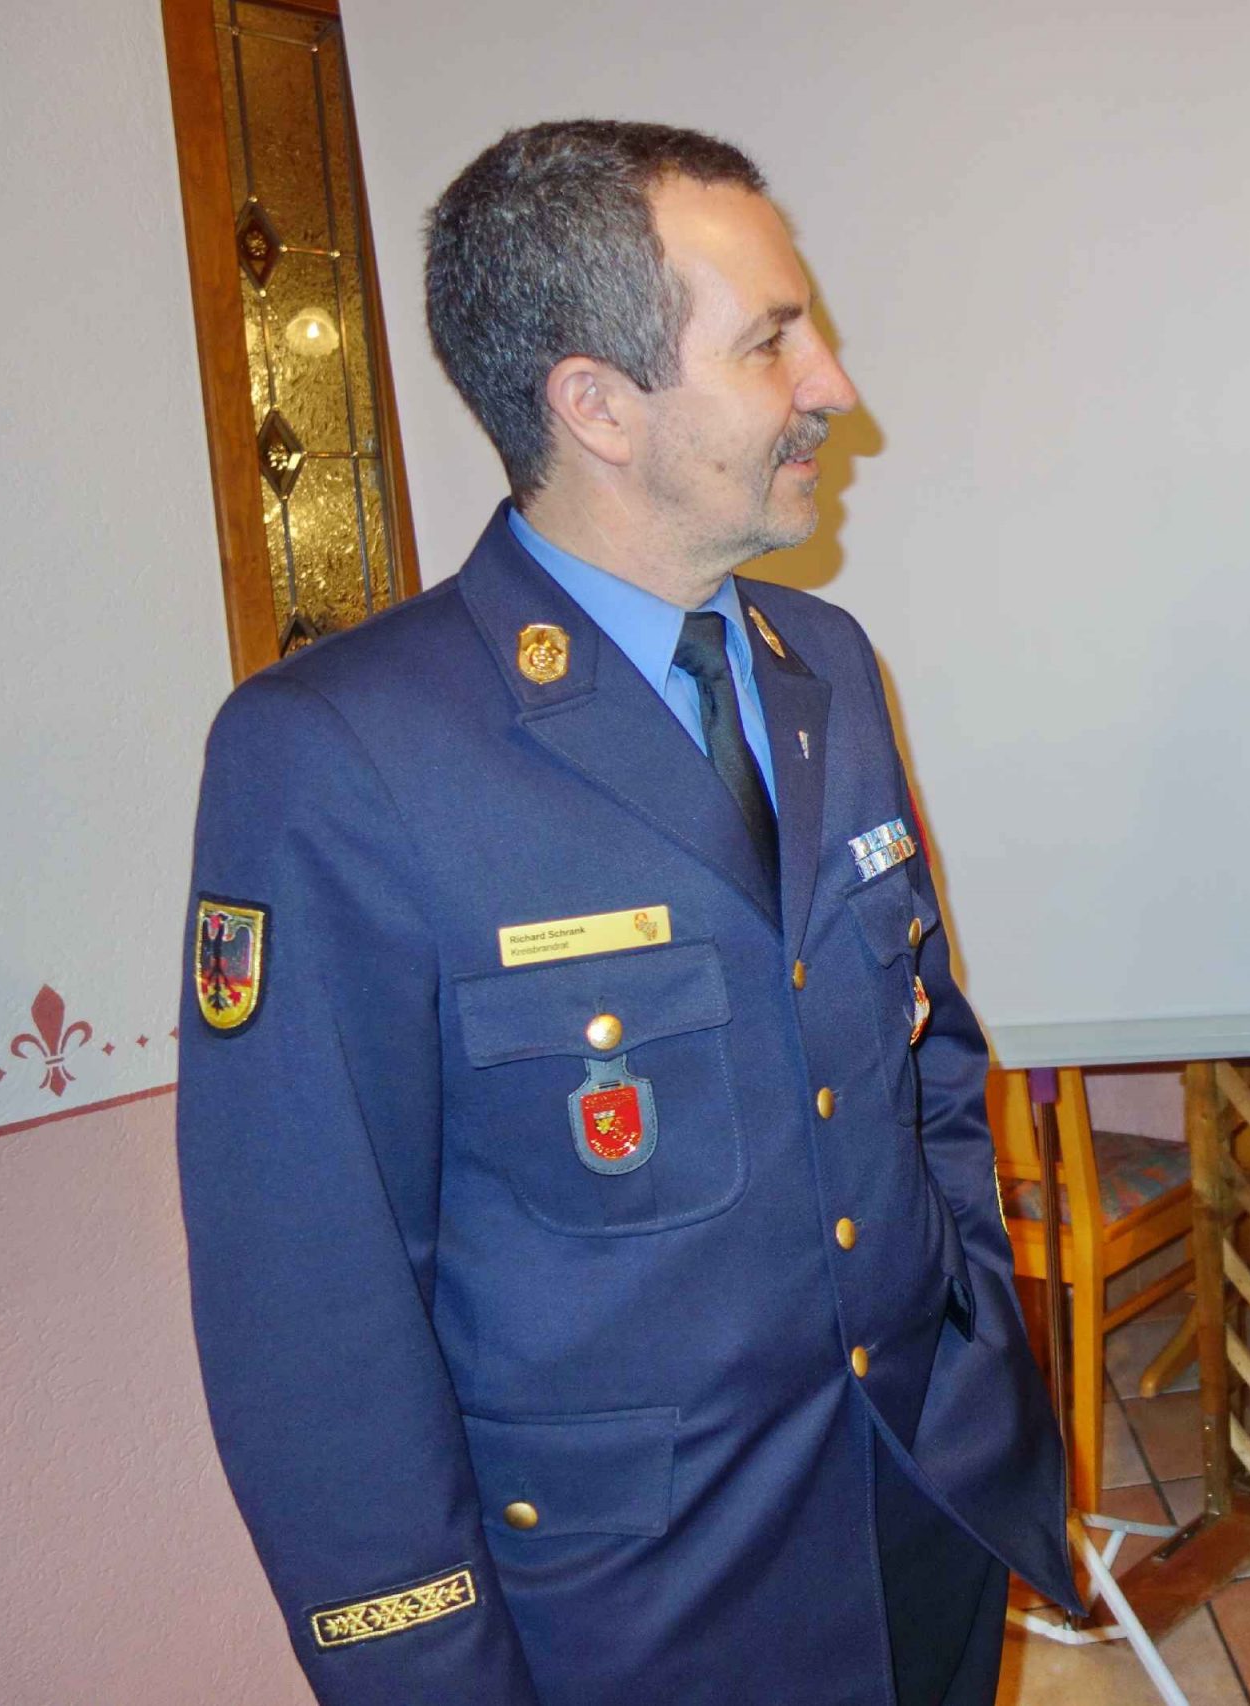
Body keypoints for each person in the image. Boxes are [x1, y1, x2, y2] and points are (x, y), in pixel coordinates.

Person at [175, 120, 1075, 1706]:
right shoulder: (341, 756)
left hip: (917, 1520)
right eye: (772, 341)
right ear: (594, 404)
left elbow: (923, 1062)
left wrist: (968, 1337)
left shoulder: (824, 665)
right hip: (639, 1624)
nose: (832, 384)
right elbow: (309, 1306)